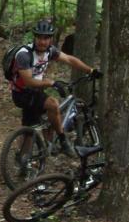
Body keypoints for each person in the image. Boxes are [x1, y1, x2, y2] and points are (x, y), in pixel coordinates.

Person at [10, 19, 100, 157]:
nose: (43, 41)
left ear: (51, 39)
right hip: (23, 94)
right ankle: (63, 141)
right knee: (53, 104)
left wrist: (90, 70)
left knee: (31, 127)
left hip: (35, 92)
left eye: (46, 38)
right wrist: (52, 83)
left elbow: (70, 59)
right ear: (35, 37)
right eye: (40, 37)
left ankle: (24, 160)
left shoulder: (50, 51)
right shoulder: (24, 54)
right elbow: (28, 81)